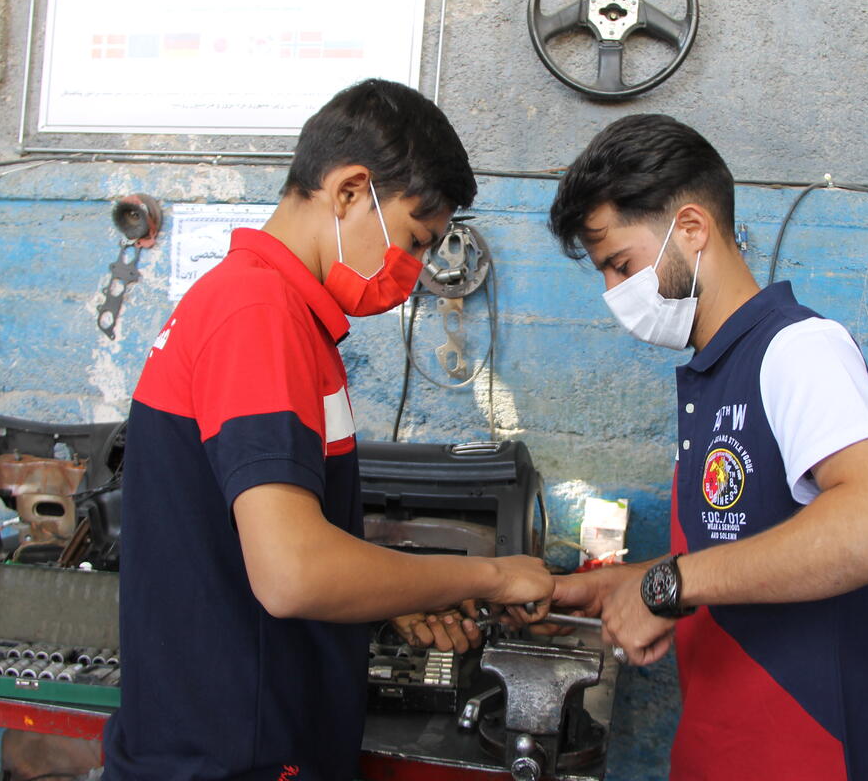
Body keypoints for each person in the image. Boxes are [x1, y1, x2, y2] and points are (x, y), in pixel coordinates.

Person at [103, 79, 552, 781]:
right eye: (413, 240)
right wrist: (487, 575)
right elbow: (292, 574)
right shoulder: (258, 316)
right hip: (232, 754)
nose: (411, 275)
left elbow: (262, 544)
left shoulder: (260, 308)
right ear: (349, 191)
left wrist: (403, 593)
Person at [547, 114, 868, 780]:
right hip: (722, 750)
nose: (614, 294)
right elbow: (747, 546)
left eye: (620, 265)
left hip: (809, 756)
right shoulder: (716, 372)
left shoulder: (796, 349)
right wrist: (615, 587)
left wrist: (667, 584)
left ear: (692, 229)